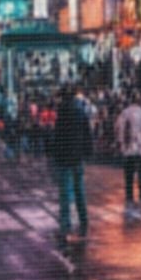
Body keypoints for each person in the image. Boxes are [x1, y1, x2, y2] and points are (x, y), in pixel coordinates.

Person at [49, 88, 92, 245]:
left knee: (65, 193)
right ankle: (84, 220)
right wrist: (88, 152)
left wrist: (54, 155)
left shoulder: (62, 113)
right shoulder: (81, 112)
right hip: (78, 157)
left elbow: (58, 137)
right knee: (79, 190)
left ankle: (65, 225)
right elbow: (87, 134)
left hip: (64, 157)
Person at [116, 94, 141, 205]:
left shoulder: (124, 113)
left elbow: (118, 128)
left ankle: (129, 195)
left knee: (129, 173)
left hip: (128, 149)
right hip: (140, 148)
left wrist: (120, 142)